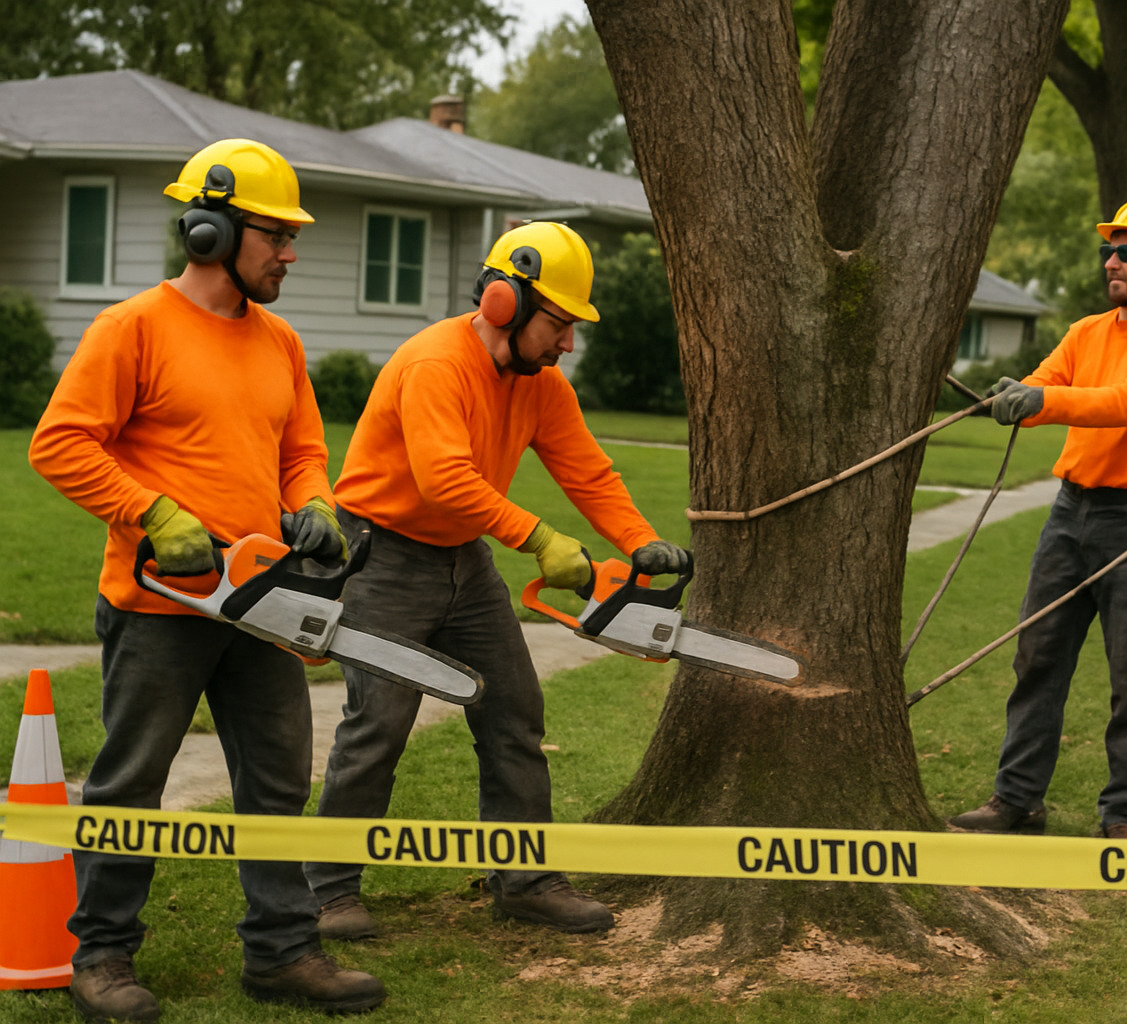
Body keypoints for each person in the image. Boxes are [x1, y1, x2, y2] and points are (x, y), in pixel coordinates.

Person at [28, 138, 385, 1022]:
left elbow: (301, 449)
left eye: (292, 238)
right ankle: (102, 955)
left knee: (275, 782)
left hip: (264, 602)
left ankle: (282, 952)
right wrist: (150, 511)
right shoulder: (133, 328)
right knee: (131, 782)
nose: (290, 254)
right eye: (276, 236)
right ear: (209, 231)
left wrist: (315, 503)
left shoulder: (280, 341)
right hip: (160, 605)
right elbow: (60, 443)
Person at [304, 222, 690, 941]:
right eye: (559, 324)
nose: (567, 343)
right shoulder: (436, 364)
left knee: (514, 708)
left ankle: (526, 881)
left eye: (573, 328)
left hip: (464, 558)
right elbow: (444, 479)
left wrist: (640, 542)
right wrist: (540, 539)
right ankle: (327, 893)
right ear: (505, 302)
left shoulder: (539, 383)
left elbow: (587, 469)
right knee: (379, 722)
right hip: (382, 556)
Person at [948, 197, 1127, 841]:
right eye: (1107, 252)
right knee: (1036, 659)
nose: (1111, 263)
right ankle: (1017, 800)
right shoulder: (1086, 332)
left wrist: (1043, 398)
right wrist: (1015, 395)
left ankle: (1125, 815)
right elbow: (1045, 383)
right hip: (1068, 515)